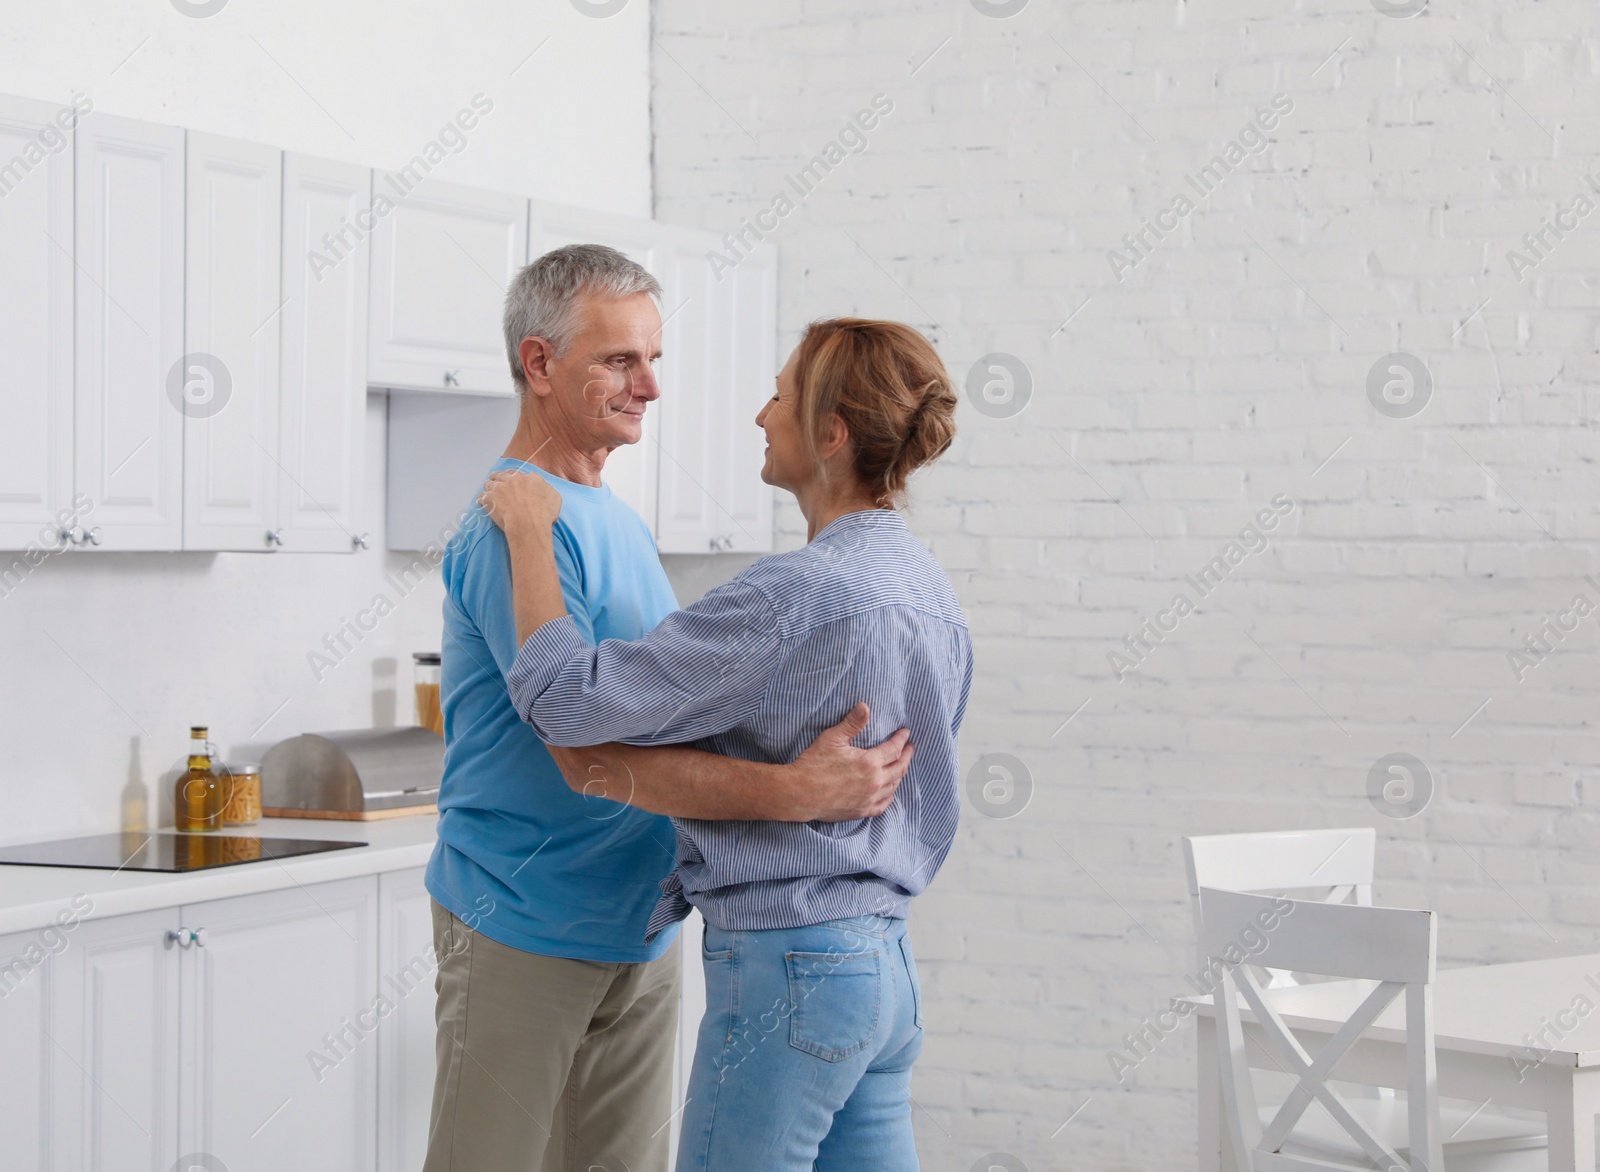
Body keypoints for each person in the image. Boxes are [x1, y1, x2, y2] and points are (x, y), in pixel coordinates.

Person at [423, 248, 917, 1172]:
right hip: (523, 922)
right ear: (538, 365)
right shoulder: (510, 523)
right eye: (619, 360)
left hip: (639, 928)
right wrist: (797, 793)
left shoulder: (611, 518)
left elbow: (659, 723)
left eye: (653, 359)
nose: (649, 386)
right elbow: (584, 755)